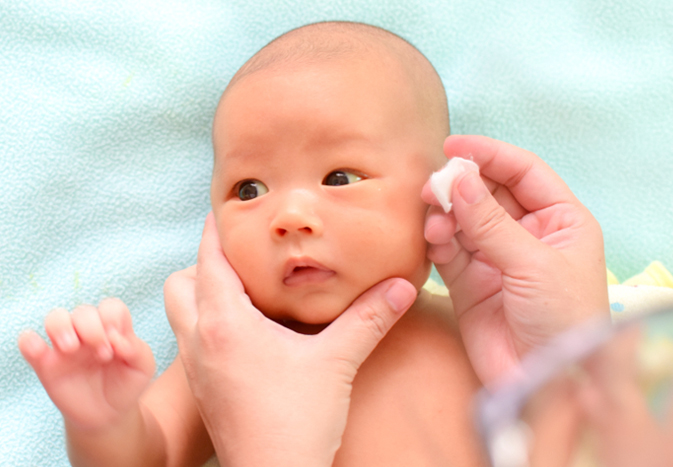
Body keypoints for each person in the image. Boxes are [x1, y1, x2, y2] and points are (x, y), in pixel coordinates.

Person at [17, 21, 609, 466]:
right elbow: (154, 454)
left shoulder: (488, 330)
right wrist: (103, 420)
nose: (290, 215)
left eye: (340, 179)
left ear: (443, 192)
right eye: (248, 189)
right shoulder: (237, 353)